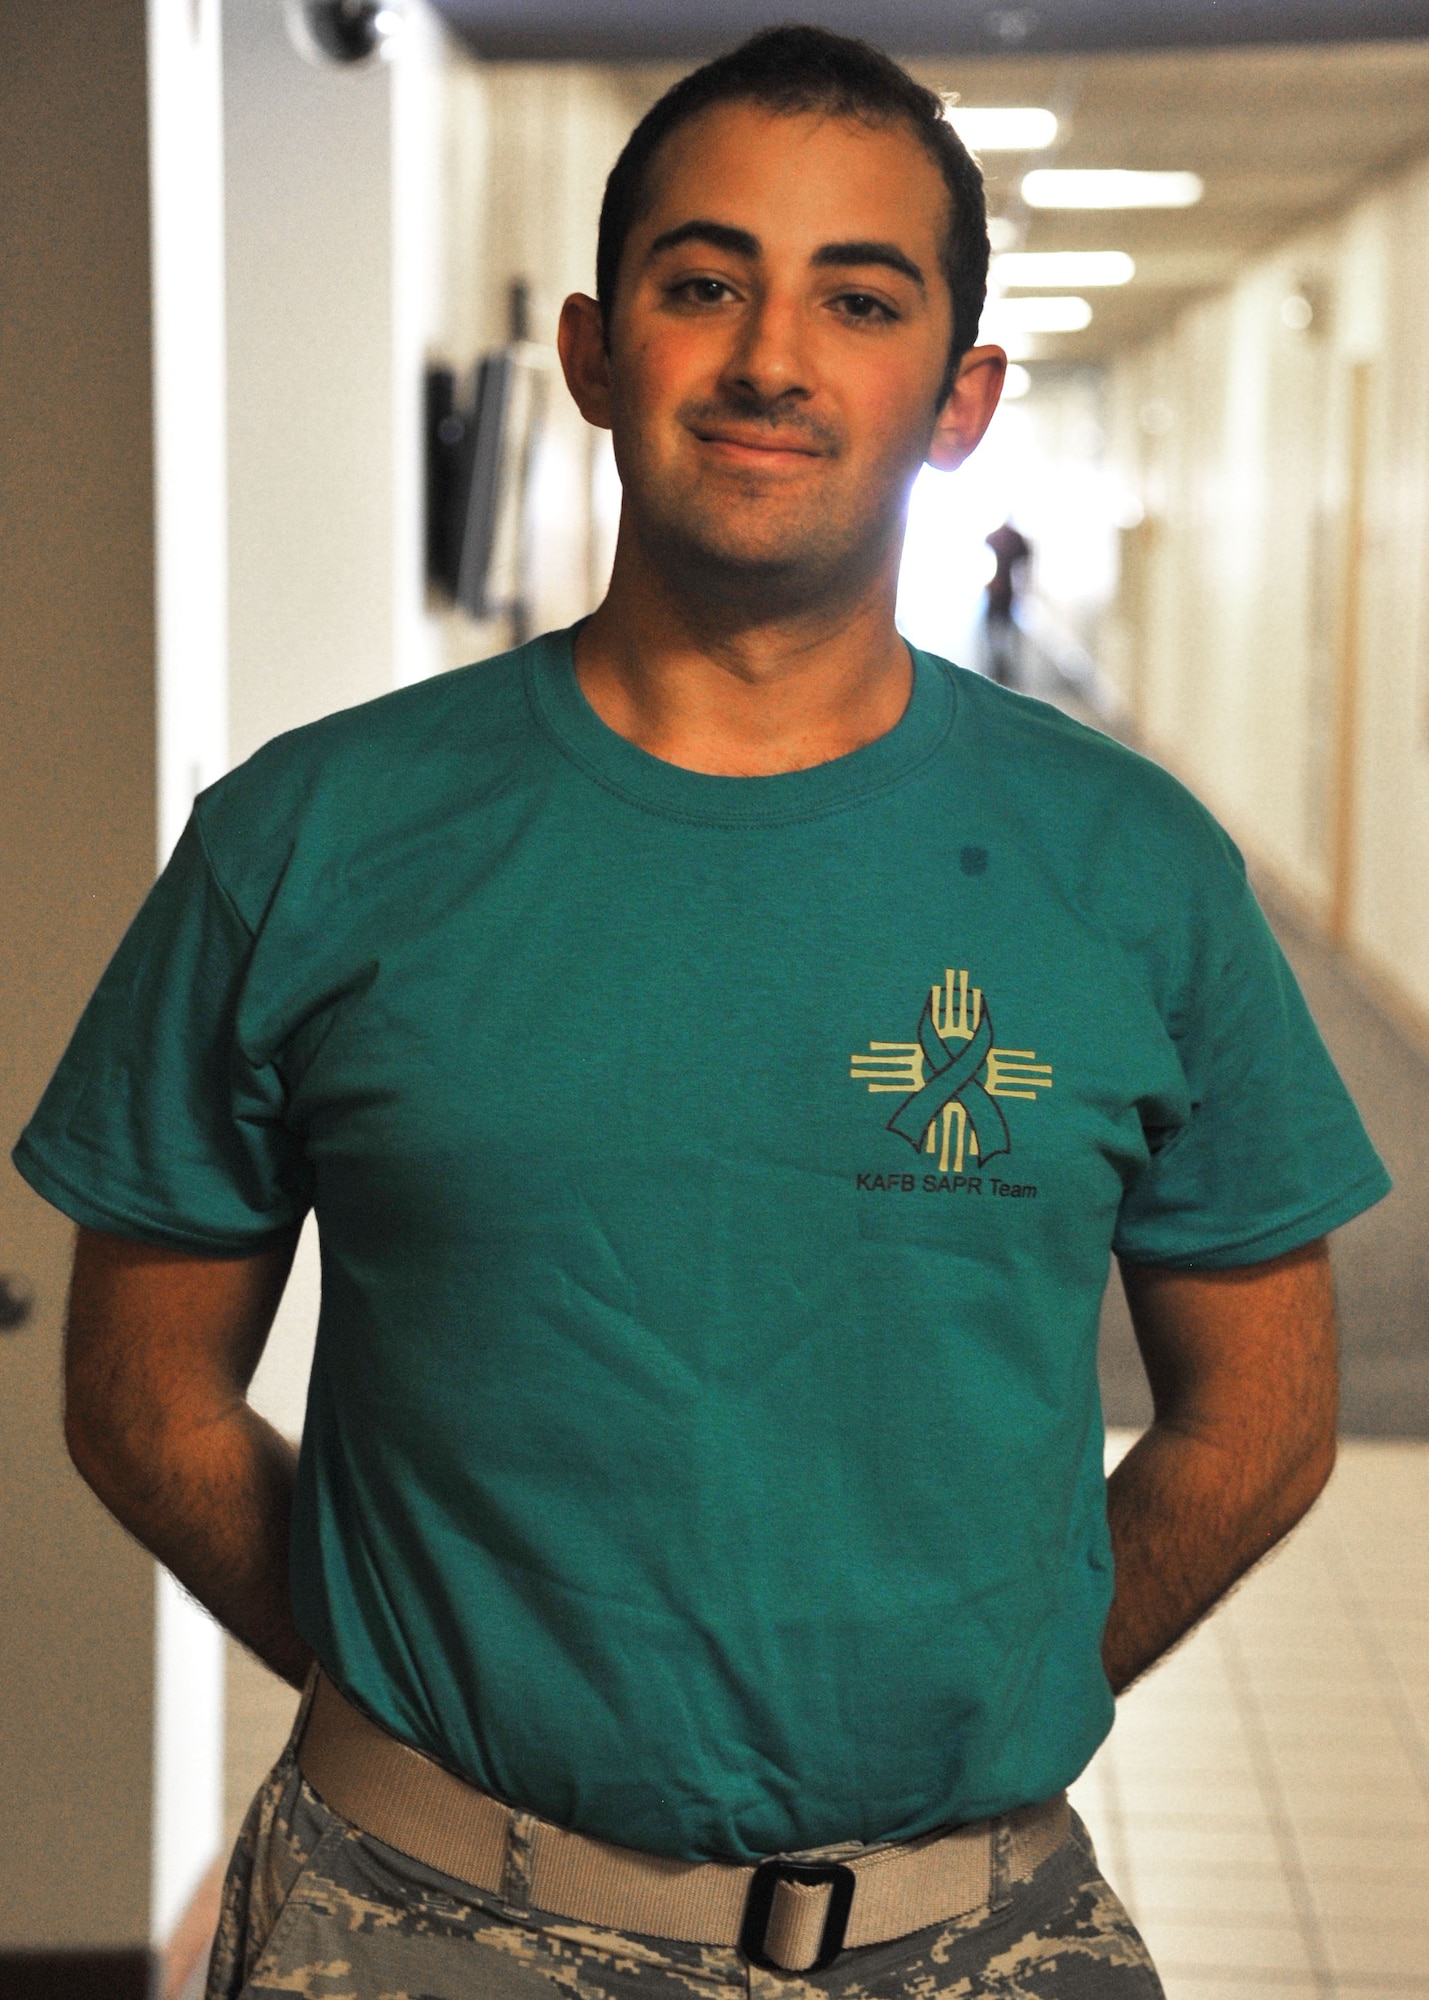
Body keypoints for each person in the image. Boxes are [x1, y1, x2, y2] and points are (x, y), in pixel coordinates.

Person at [14, 26, 1388, 2000]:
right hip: (406, 1930)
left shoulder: (1129, 865)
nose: (770, 356)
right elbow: (141, 1391)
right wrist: (410, 1676)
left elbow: (1260, 1421)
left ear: (960, 396)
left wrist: (980, 1702)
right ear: (592, 351)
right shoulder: (312, 838)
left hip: (970, 1936)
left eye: (860, 297)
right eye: (702, 280)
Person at [983, 518, 1030, 686]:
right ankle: (999, 667)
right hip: (1004, 593)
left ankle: (1000, 667)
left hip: (1004, 594)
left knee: (1000, 631)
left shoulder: (996, 539)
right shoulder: (1005, 540)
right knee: (999, 632)